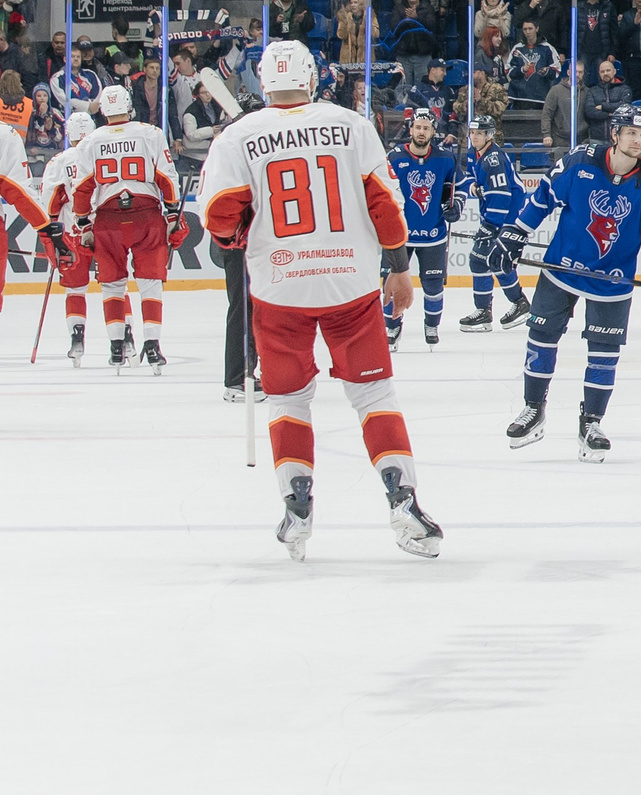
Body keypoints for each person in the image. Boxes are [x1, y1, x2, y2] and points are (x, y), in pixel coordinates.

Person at [197, 40, 440, 559]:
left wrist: (237, 234)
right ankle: (402, 498)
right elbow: (386, 207)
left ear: (263, 81)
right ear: (313, 79)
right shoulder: (352, 126)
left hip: (279, 288)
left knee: (288, 399)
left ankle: (297, 504)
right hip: (349, 284)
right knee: (373, 397)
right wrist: (399, 271)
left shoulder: (239, 136)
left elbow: (219, 215)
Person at [503, 103, 641, 460]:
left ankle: (591, 422)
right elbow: (545, 195)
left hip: (612, 280)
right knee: (541, 338)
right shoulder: (581, 160)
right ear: (615, 133)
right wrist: (515, 232)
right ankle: (534, 408)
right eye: (631, 133)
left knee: (604, 355)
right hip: (561, 270)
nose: (638, 141)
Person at [65, 83, 181, 372]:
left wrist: (82, 222)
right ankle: (152, 346)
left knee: (113, 284)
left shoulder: (91, 140)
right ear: (129, 105)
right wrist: (172, 214)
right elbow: (166, 178)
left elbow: (81, 189)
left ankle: (116, 347)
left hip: (108, 218)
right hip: (146, 215)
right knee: (150, 283)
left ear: (103, 110)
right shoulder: (150, 133)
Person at [383, 107, 457, 350]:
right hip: (399, 236)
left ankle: (432, 325)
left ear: (433, 131)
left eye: (426, 128)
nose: (422, 132)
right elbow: (383, 190)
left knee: (434, 286)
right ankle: (392, 326)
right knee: (390, 282)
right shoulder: (394, 157)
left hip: (433, 234)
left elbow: (459, 186)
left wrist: (455, 203)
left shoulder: (445, 158)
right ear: (410, 129)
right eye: (418, 127)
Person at [456, 114, 531, 333]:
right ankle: (512, 304)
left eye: (479, 133)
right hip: (496, 216)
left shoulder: (493, 159)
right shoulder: (474, 152)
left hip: (508, 217)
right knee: (491, 260)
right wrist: (471, 186)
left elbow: (501, 195)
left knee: (481, 259)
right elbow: (469, 176)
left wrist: (490, 226)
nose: (474, 136)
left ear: (489, 135)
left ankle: (505, 306)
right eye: (472, 132)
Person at [35, 111, 96, 366]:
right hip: (105, 230)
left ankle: (77, 339)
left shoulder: (60, 161)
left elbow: (48, 203)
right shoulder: (102, 153)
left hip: (73, 234)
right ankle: (124, 339)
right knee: (116, 285)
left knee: (75, 289)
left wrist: (50, 234)